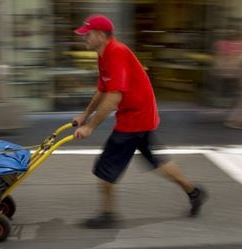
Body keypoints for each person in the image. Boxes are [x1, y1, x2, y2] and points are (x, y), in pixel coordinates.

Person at [72, 14, 207, 229]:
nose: (84, 38)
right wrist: (84, 115)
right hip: (138, 115)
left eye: (87, 34)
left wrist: (90, 127)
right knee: (157, 160)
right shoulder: (103, 55)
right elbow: (102, 90)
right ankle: (194, 192)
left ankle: (108, 214)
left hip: (135, 117)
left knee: (106, 165)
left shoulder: (116, 53)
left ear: (100, 35)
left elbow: (114, 96)